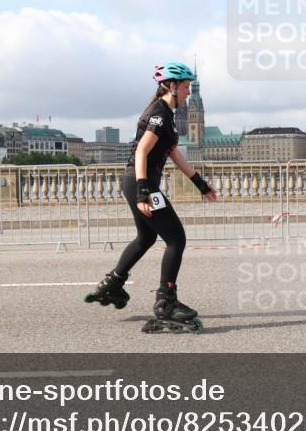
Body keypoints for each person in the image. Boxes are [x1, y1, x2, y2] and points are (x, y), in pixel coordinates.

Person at [85, 62, 218, 332]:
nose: (188, 92)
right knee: (176, 239)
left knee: (146, 237)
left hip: (136, 182)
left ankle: (113, 282)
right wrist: (144, 191)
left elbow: (173, 153)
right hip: (140, 183)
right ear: (172, 86)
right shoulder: (159, 114)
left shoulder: (167, 114)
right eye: (185, 87)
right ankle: (165, 302)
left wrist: (200, 184)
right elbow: (142, 151)